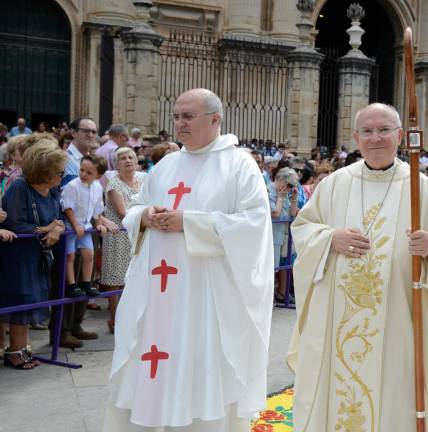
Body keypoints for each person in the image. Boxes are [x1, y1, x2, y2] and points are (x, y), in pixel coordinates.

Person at [288, 103, 428, 431]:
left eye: (384, 130)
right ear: (356, 137)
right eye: (368, 131)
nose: (376, 138)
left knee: (392, 398)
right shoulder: (335, 184)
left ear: (400, 135)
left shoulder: (420, 186)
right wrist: (331, 238)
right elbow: (302, 228)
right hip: (337, 321)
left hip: (397, 319)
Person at [103, 88, 274, 430]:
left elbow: (255, 223)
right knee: (153, 358)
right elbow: (134, 209)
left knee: (198, 363)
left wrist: (189, 223)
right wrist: (146, 215)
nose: (180, 124)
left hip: (205, 295)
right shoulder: (166, 164)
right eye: (177, 116)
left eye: (188, 116)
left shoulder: (239, 165)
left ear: (215, 119)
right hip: (157, 293)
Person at [0, 140, 67, 369]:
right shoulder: (20, 187)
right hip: (17, 257)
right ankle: (14, 352)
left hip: (38, 256)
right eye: (59, 172)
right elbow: (15, 225)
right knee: (21, 298)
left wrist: (57, 227)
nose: (63, 175)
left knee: (32, 299)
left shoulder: (52, 190)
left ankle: (21, 348)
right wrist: (45, 229)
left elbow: (60, 218)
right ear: (45, 172)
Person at [61, 154, 117, 299]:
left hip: (85, 226)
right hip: (70, 226)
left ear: (98, 175)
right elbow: (68, 208)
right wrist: (75, 226)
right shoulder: (72, 186)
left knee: (89, 255)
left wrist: (99, 225)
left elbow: (98, 209)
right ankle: (71, 285)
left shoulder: (97, 187)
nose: (83, 174)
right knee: (70, 255)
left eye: (89, 172)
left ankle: (86, 283)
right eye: (82, 170)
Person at [100, 147, 144, 334]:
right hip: (118, 236)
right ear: (116, 164)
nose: (127, 160)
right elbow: (123, 212)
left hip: (137, 234)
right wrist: (145, 211)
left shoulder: (143, 180)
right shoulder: (114, 185)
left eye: (131, 157)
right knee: (116, 278)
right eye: (123, 158)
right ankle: (115, 319)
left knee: (134, 278)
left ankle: (132, 318)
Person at [269, 166, 300, 304]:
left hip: (282, 236)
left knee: (277, 267)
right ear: (280, 179)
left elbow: (292, 214)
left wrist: (293, 198)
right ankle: (268, 298)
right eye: (289, 185)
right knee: (271, 269)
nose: (290, 188)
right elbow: (275, 213)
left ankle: (273, 297)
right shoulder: (269, 190)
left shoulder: (285, 193)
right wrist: (280, 198)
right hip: (272, 236)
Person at [63, 118, 98, 186]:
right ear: (73, 133)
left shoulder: (94, 159)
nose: (90, 135)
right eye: (86, 131)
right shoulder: (65, 159)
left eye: (94, 132)